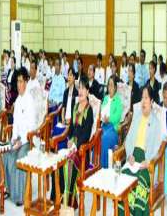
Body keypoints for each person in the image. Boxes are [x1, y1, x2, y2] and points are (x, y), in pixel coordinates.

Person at [118, 86, 163, 216]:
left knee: (140, 185)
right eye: (142, 98)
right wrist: (129, 155)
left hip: (145, 163)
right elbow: (128, 140)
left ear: (152, 101)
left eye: (146, 98)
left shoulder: (156, 123)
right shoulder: (136, 117)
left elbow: (157, 148)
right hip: (132, 159)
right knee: (124, 181)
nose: (143, 101)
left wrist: (148, 161)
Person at [52, 76, 93, 205]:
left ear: (87, 91)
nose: (80, 91)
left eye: (83, 88)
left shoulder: (89, 110)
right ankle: (56, 199)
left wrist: (75, 144)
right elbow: (70, 129)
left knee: (69, 163)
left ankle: (67, 202)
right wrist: (68, 138)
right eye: (79, 88)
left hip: (82, 151)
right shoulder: (75, 107)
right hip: (71, 147)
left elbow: (86, 135)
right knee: (57, 162)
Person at [3, 68, 37, 206]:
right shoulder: (17, 100)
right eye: (17, 81)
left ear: (26, 82)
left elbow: (31, 127)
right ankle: (9, 189)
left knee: (19, 156)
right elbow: (16, 124)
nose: (19, 84)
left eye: (21, 81)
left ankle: (20, 196)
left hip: (28, 140)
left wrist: (21, 141)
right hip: (18, 138)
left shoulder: (30, 101)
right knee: (6, 153)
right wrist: (13, 139)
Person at [100, 76, 123, 169]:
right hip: (103, 125)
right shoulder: (105, 98)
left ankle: (104, 167)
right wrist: (103, 118)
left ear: (115, 87)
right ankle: (96, 166)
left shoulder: (118, 100)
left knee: (105, 138)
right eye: (108, 85)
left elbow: (118, 116)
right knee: (96, 136)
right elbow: (101, 111)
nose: (109, 87)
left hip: (113, 128)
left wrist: (108, 119)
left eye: (111, 85)